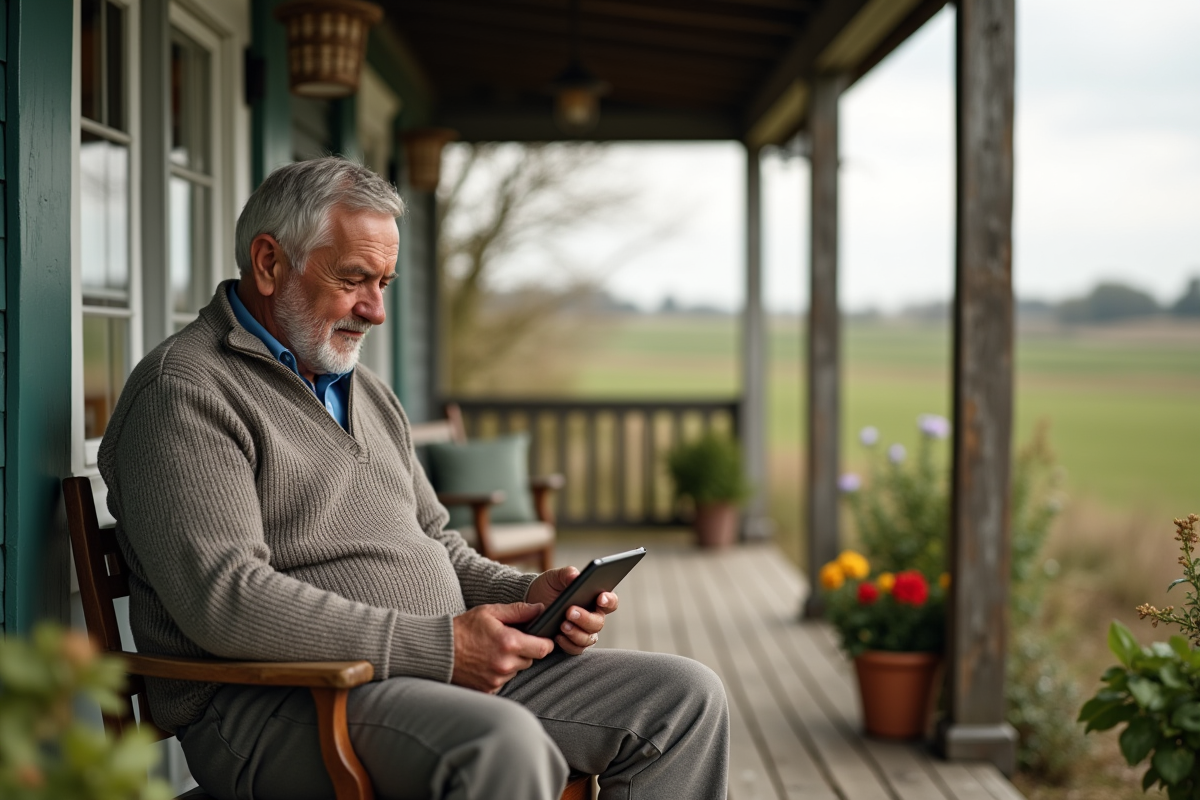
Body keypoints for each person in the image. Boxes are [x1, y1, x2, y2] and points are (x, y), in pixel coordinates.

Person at [98, 157, 729, 800]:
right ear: (269, 263)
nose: (374, 309)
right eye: (354, 279)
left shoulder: (364, 390)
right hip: (279, 702)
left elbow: (438, 543)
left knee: (684, 700)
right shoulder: (184, 390)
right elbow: (225, 600)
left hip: (431, 676)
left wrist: (531, 594)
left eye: (385, 283)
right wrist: (439, 647)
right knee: (500, 744)